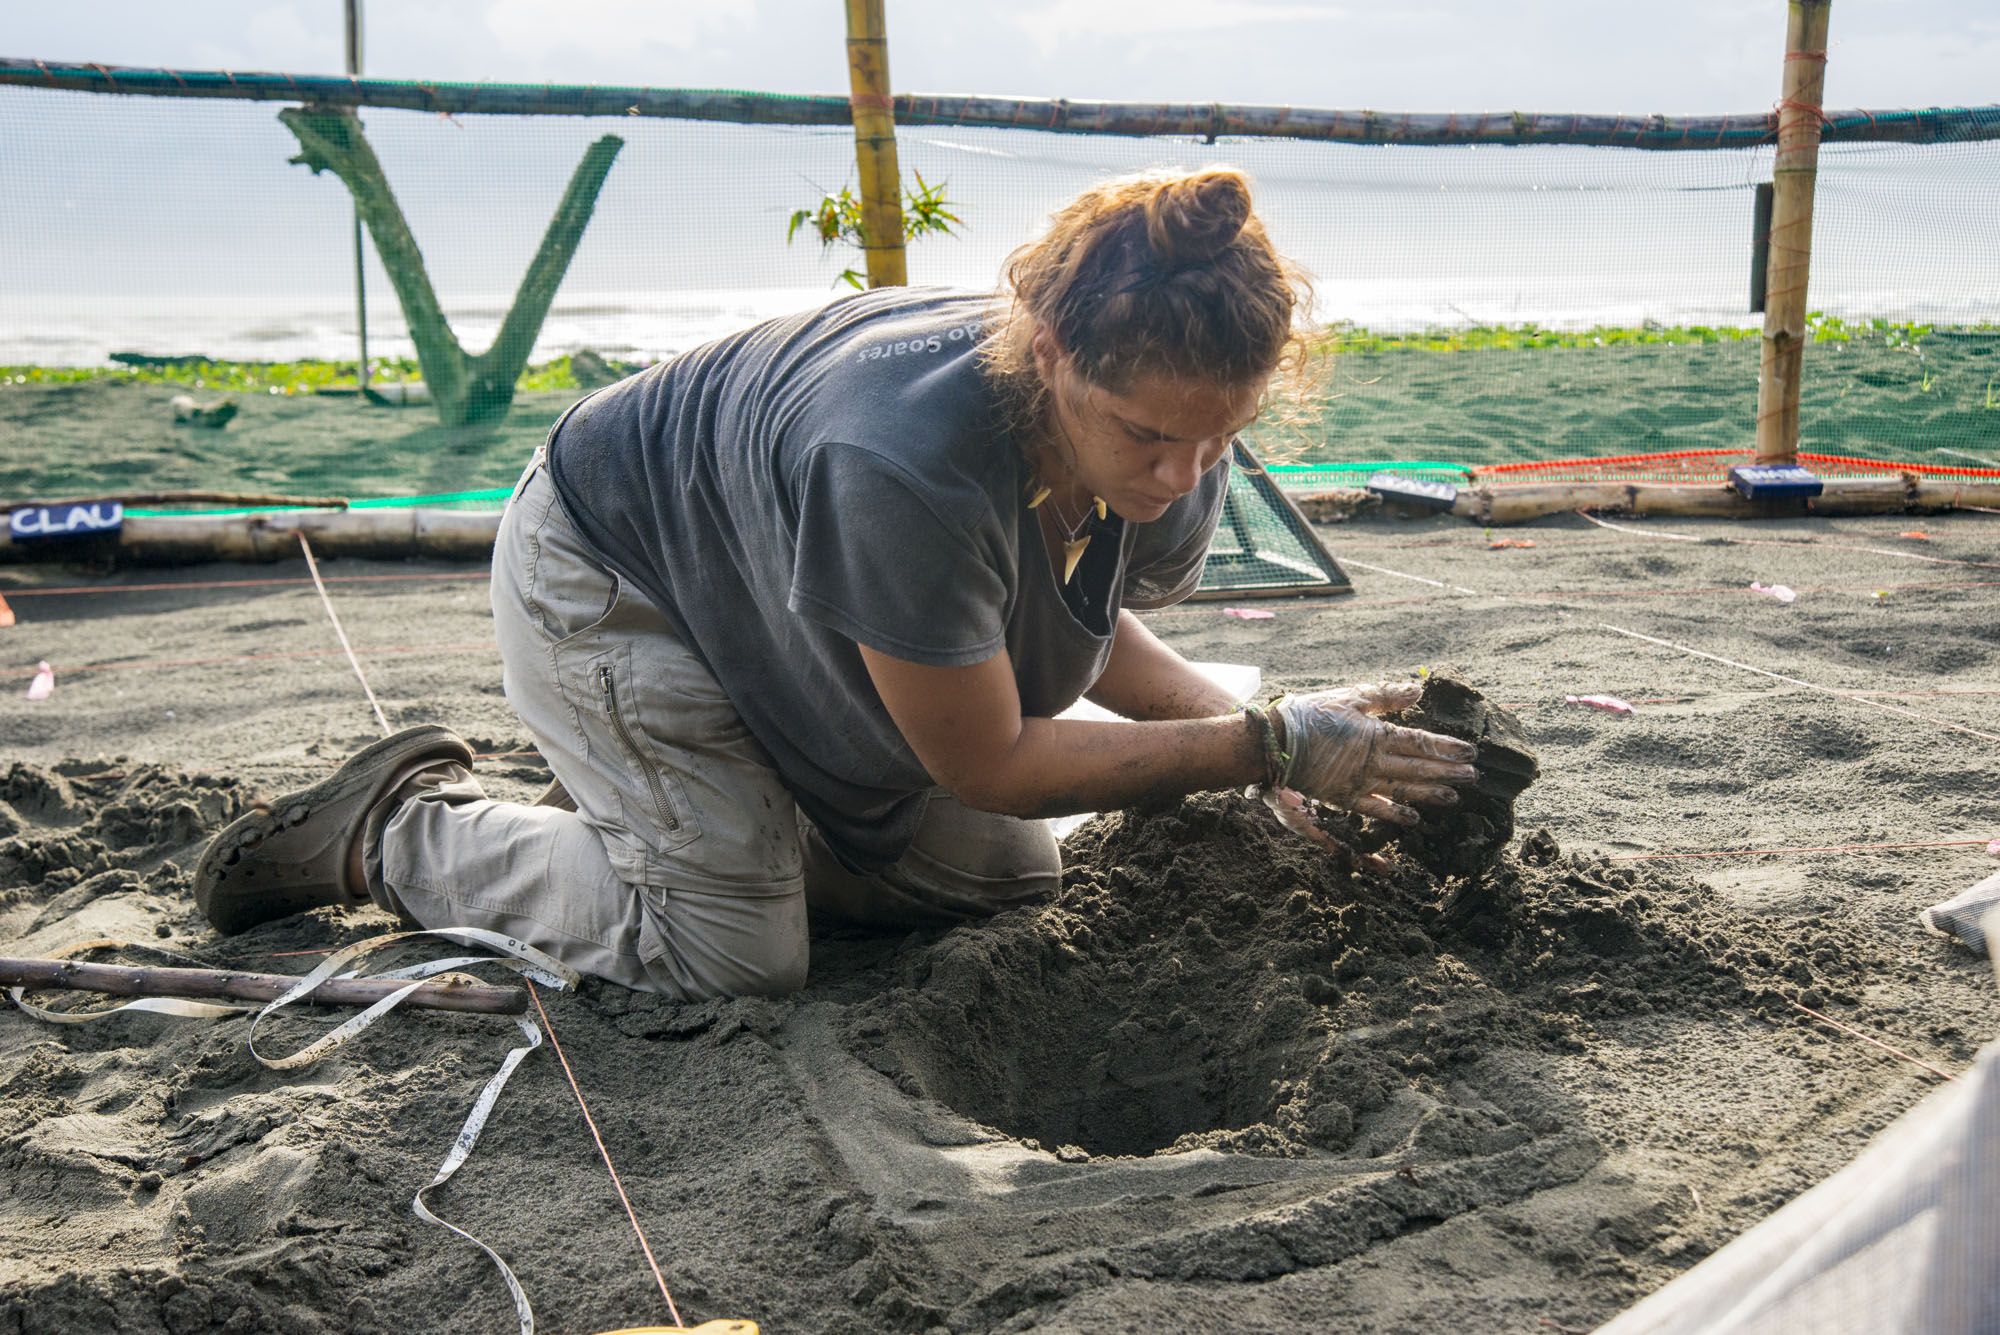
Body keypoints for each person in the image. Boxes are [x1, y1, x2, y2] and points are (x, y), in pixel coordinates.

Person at [192, 166, 1478, 999]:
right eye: (1146, 436)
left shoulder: (1171, 436)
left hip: (781, 597)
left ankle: (665, 823)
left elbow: (1081, 626)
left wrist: (1272, 735)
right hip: (625, 568)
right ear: (1048, 354)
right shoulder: (902, 460)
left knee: (1011, 880)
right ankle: (392, 833)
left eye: (1218, 435)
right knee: (730, 955)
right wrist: (1265, 746)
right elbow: (990, 759)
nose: (1182, 473)